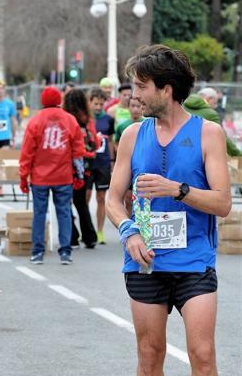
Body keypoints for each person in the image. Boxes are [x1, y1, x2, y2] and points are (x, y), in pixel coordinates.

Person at [106, 44, 231, 376]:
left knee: (202, 356)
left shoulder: (209, 134)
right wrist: (127, 230)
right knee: (149, 355)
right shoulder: (132, 135)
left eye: (142, 87)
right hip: (145, 260)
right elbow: (113, 199)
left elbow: (222, 204)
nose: (135, 96)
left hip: (193, 260)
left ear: (166, 88)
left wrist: (178, 190)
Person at [20, 86, 85, 264]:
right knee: (64, 212)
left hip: (40, 177)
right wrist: (79, 176)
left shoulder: (35, 122)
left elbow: (27, 153)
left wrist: (23, 177)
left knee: (39, 213)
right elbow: (78, 151)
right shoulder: (70, 120)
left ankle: (37, 252)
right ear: (59, 100)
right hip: (63, 176)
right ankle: (65, 251)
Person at [64, 89, 100, 250]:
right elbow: (96, 143)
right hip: (86, 166)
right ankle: (90, 236)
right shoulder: (88, 120)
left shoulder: (67, 120)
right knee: (81, 202)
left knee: (65, 202)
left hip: (68, 165)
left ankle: (72, 237)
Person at [87, 88, 116, 244]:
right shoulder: (86, 119)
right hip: (88, 163)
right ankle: (86, 229)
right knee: (85, 198)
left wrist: (112, 161)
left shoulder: (108, 120)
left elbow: (110, 140)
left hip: (103, 163)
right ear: (90, 102)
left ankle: (99, 231)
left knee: (101, 197)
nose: (98, 107)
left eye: (101, 104)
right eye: (95, 104)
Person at [183, 92, 242, 156]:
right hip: (198, 154)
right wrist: (237, 154)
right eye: (214, 103)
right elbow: (222, 137)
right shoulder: (211, 114)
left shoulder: (180, 108)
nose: (215, 106)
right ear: (208, 99)